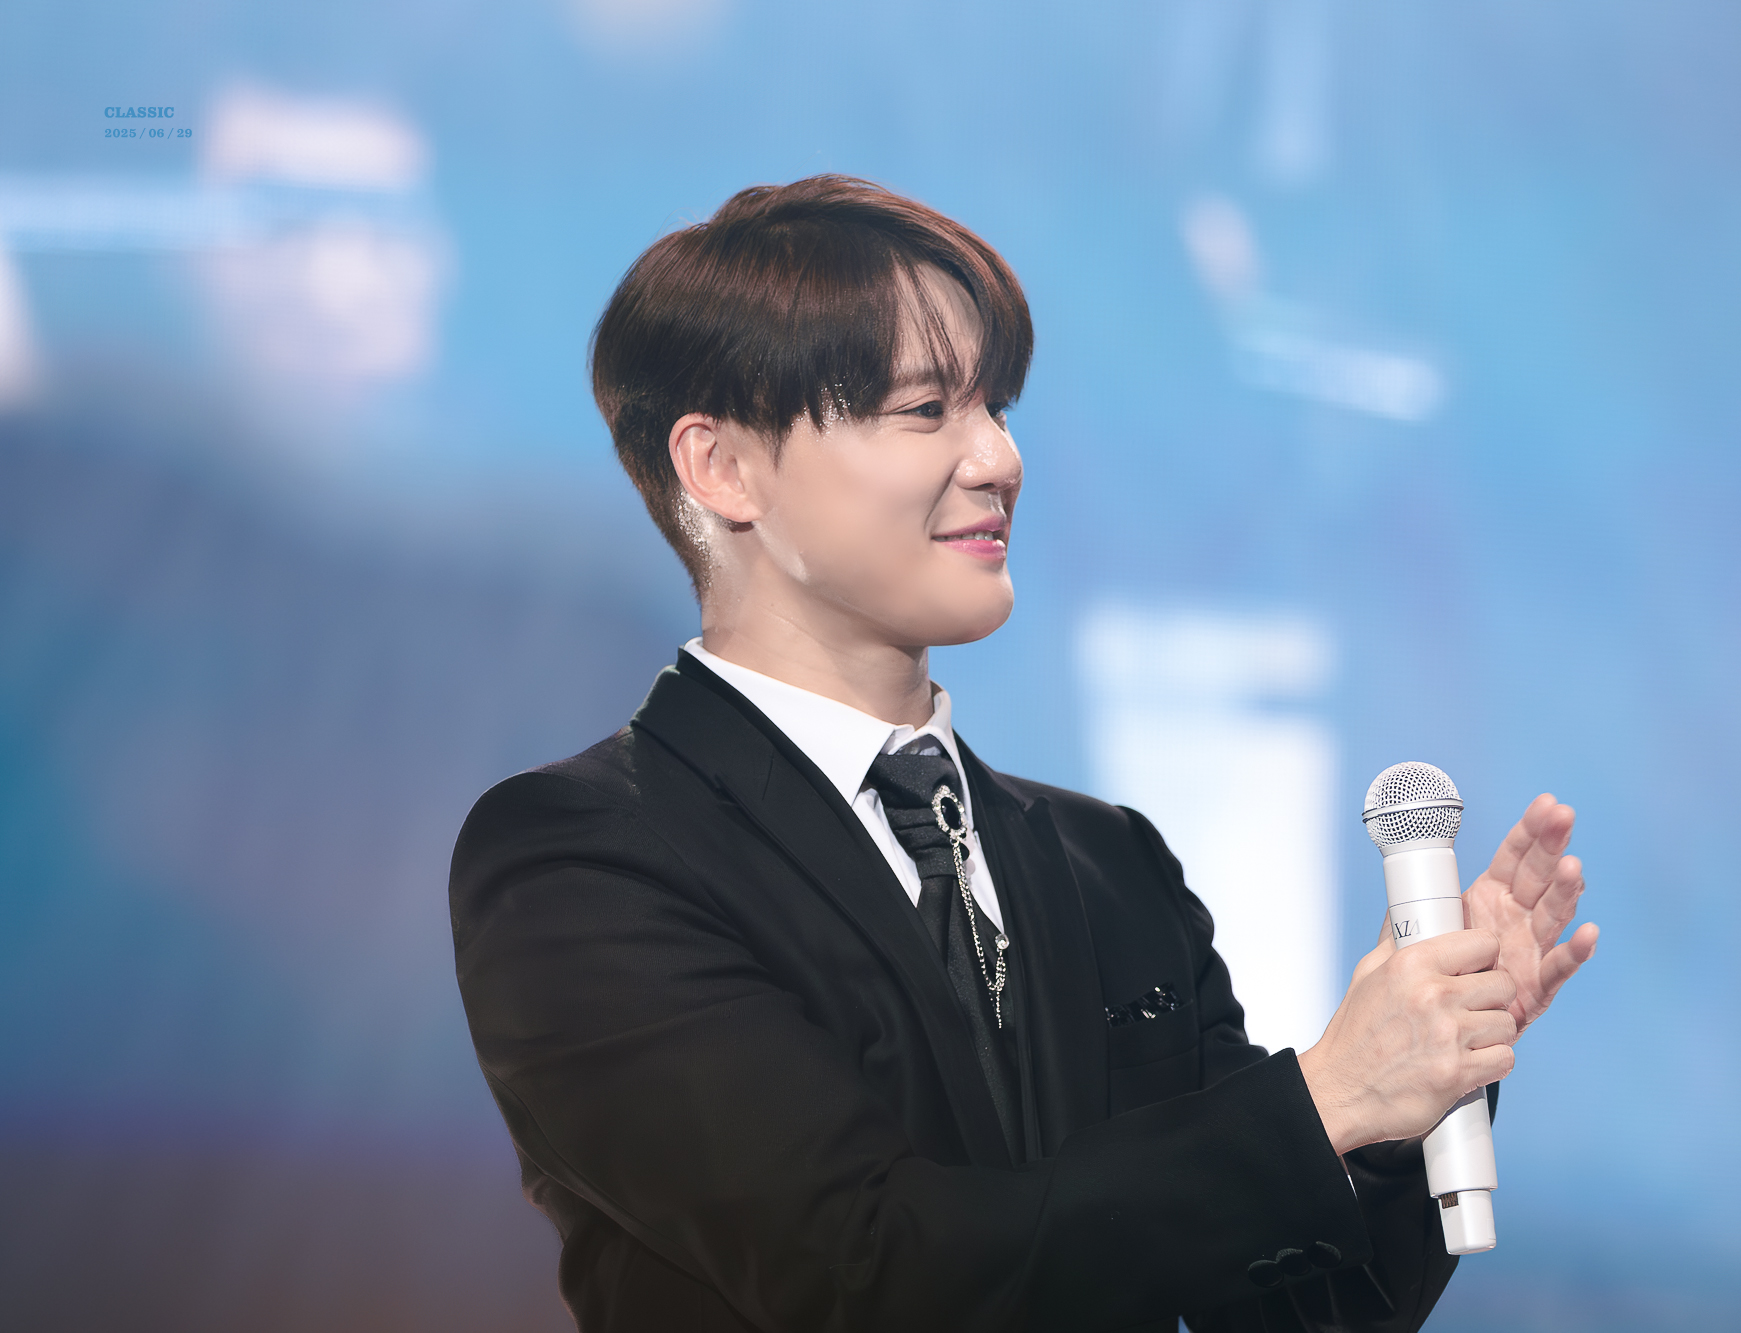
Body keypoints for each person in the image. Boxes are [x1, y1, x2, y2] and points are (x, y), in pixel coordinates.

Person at [448, 175, 1598, 1333]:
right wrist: (1323, 1095)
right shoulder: (583, 858)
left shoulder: (1108, 862)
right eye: (923, 409)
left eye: (994, 406)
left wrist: (1420, 1078)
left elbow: (1310, 1312)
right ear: (722, 467)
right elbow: (864, 1272)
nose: (996, 456)